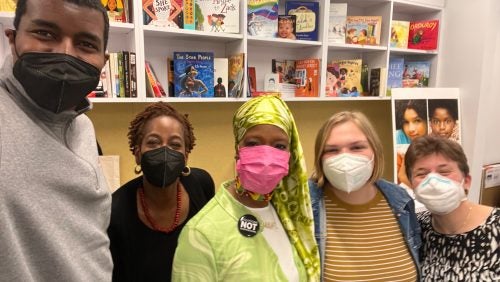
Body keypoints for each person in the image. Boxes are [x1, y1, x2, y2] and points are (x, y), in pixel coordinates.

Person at [0, 0, 112, 280]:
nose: (65, 53)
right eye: (45, 34)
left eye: (86, 44)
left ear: (103, 61)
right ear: (12, 39)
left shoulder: (83, 125)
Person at [172, 95, 320, 281]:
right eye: (253, 143)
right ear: (237, 149)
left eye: (279, 146)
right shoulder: (201, 234)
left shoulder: (292, 216)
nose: (266, 156)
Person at [108, 102, 215, 281]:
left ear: (186, 155)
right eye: (153, 142)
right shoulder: (115, 212)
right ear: (137, 153)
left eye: (175, 144)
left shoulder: (202, 185)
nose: (165, 151)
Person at [309, 111, 421, 281]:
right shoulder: (305, 203)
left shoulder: (401, 200)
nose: (345, 157)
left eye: (357, 147)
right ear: (320, 158)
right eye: (332, 150)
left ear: (374, 151)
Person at [404, 135, 499, 281]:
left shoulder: (496, 227)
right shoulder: (416, 229)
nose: (433, 182)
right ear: (412, 185)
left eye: (444, 172)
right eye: (422, 174)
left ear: (466, 181)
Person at [395, 99, 428, 189]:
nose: (411, 129)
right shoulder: (398, 137)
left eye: (417, 120)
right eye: (406, 122)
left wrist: (403, 178)